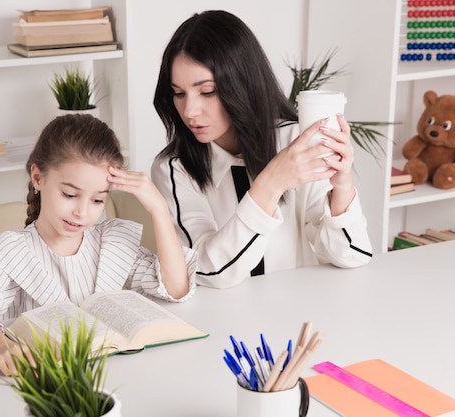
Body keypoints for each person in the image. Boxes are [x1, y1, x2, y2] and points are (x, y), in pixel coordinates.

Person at [0, 113, 197, 375]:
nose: (82, 212)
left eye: (97, 200)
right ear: (38, 178)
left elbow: (176, 287)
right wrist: (2, 348)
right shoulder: (13, 251)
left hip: (109, 376)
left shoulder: (111, 242)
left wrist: (159, 210)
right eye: (70, 194)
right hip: (40, 381)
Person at [150, 10, 372, 289]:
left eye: (207, 92)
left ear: (242, 84)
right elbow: (207, 270)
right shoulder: (174, 169)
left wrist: (342, 185)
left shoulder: (297, 141)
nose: (190, 111)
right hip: (224, 323)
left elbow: (352, 255)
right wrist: (272, 181)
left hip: (302, 319)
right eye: (179, 93)